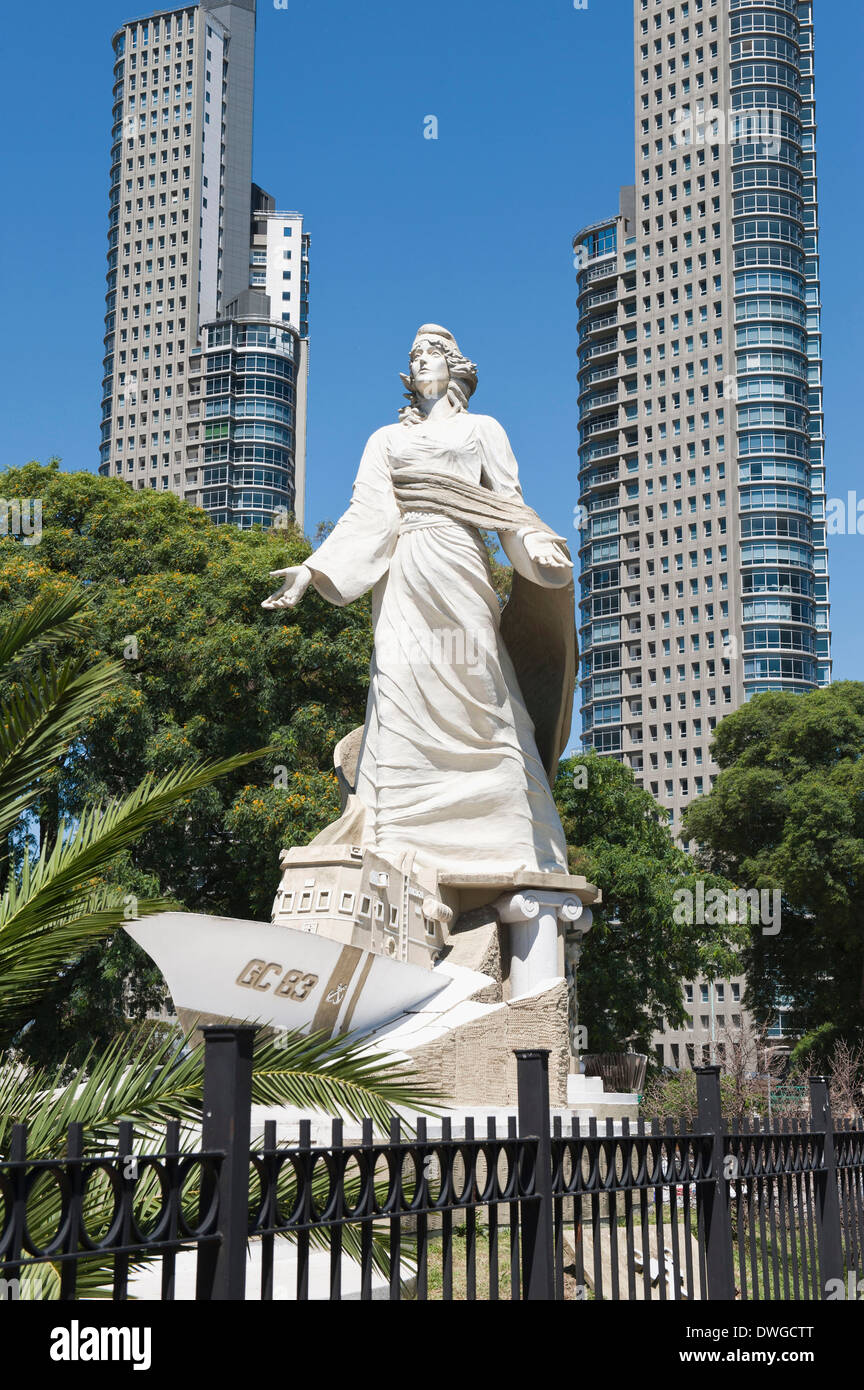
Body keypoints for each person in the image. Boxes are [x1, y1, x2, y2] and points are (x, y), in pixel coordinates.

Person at [263, 324, 576, 877]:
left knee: (477, 680)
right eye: (415, 356)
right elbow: (366, 515)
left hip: (459, 562)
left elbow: (510, 511)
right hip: (405, 570)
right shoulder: (385, 441)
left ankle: (502, 823)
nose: (421, 362)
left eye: (432, 353)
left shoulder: (484, 430)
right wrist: (311, 570)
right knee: (401, 681)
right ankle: (396, 829)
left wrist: (537, 552)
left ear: (454, 367)